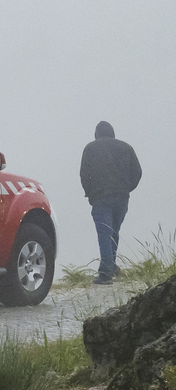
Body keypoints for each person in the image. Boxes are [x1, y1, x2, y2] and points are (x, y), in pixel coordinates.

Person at [80, 121, 142, 284]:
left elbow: (84, 174)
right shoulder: (126, 147)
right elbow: (138, 172)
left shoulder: (90, 148)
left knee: (105, 233)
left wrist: (90, 194)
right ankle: (111, 266)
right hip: (122, 197)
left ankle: (106, 273)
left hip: (101, 197)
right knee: (113, 231)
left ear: (96, 134)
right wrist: (127, 188)